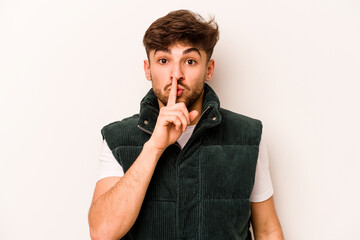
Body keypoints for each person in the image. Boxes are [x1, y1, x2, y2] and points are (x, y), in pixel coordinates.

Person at [88, 9, 284, 240]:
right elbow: (102, 233)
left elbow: (267, 230)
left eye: (190, 61)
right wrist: (154, 147)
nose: (176, 74)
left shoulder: (247, 136)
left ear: (208, 69)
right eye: (163, 60)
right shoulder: (117, 138)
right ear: (147, 69)